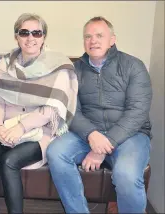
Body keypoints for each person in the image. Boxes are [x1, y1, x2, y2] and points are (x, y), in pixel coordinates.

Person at [0, 13, 78, 213]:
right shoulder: (7, 63)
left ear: (43, 37)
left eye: (36, 33)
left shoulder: (58, 65)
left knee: (9, 161)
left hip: (38, 131)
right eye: (24, 32)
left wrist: (21, 128)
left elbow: (52, 109)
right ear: (16, 37)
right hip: (7, 128)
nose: (30, 38)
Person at [46, 16, 153, 213]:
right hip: (87, 134)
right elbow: (70, 110)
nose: (93, 40)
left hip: (130, 135)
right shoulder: (75, 69)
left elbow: (137, 112)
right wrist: (91, 135)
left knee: (126, 175)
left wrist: (102, 146)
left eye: (99, 35)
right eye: (88, 36)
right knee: (55, 152)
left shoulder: (133, 66)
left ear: (112, 39)